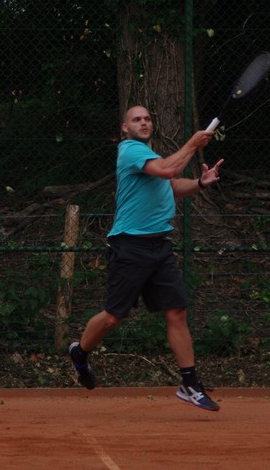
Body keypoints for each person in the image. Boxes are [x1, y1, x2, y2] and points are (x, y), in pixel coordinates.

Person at [68, 105, 224, 411]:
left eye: (147, 118)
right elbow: (168, 171)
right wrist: (193, 144)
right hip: (130, 246)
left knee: (176, 311)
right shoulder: (129, 151)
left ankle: (190, 384)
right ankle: (80, 353)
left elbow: (170, 185)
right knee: (112, 317)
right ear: (125, 128)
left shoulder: (151, 157)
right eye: (136, 119)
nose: (143, 122)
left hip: (159, 246)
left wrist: (200, 183)